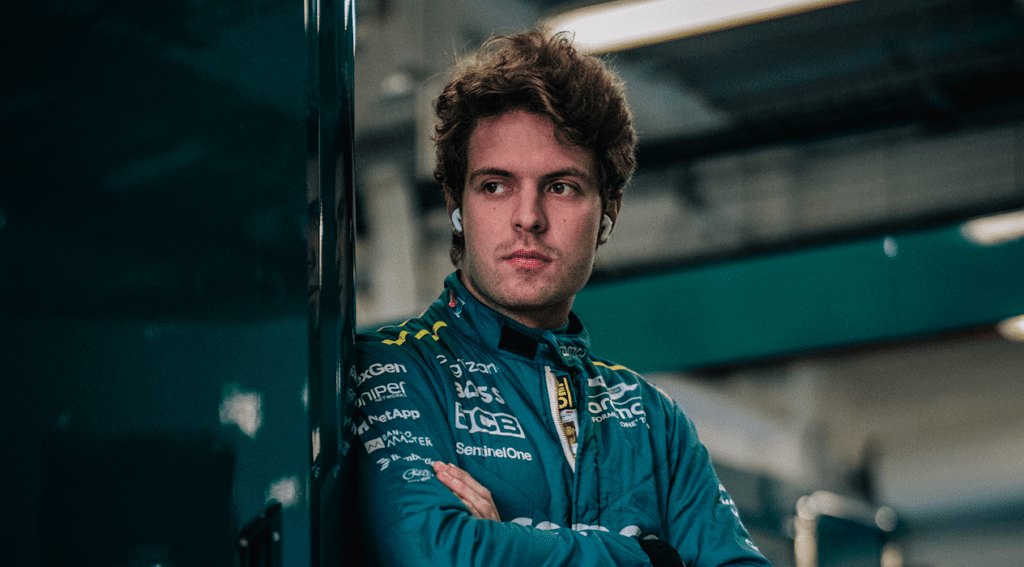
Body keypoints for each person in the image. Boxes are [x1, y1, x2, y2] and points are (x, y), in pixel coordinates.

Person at [352, 31, 771, 567]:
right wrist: (652, 559)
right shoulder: (391, 370)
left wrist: (505, 545)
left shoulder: (653, 423)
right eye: (495, 186)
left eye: (561, 187)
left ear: (608, 211)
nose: (528, 217)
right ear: (457, 206)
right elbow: (439, 553)